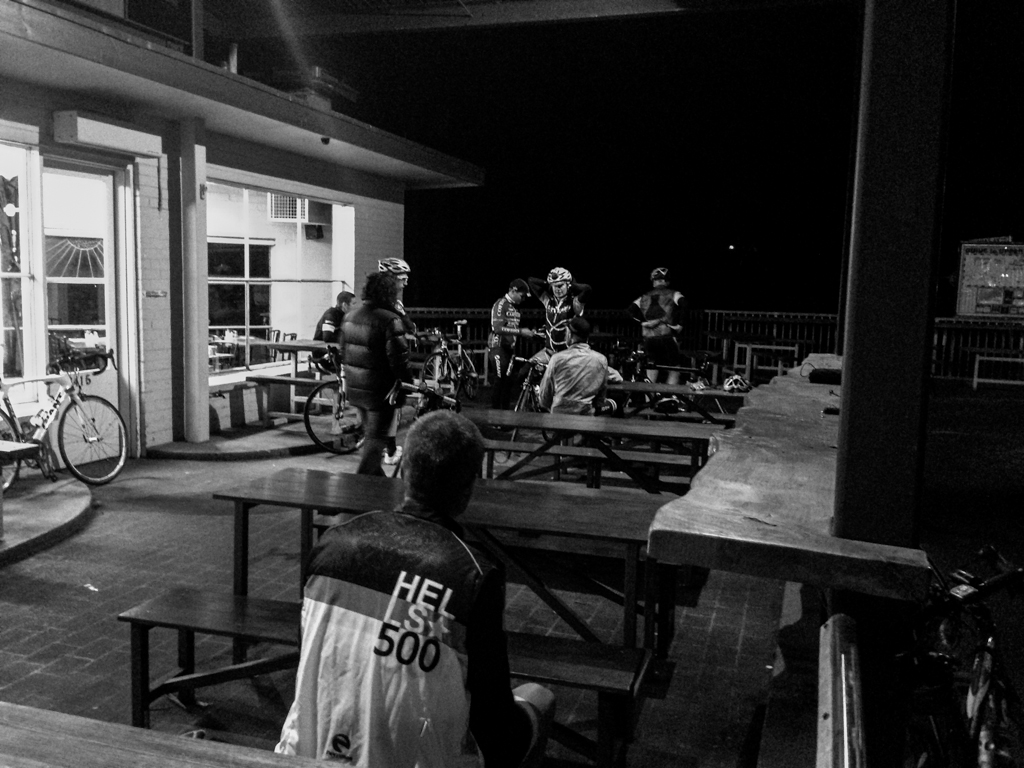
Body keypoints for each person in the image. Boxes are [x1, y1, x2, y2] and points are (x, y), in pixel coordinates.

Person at [275, 410, 555, 768]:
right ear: (467, 489)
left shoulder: (331, 545)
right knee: (539, 697)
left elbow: (310, 653)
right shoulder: (473, 577)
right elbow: (493, 723)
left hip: (304, 753)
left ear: (404, 470)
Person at [339, 272, 412, 475]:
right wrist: (407, 383)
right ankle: (361, 483)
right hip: (382, 391)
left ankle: (378, 483)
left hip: (356, 388)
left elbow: (344, 352)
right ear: (388, 293)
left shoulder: (350, 317)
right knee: (375, 440)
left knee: (371, 435)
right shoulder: (390, 320)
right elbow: (398, 359)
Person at [538, 316, 609, 415]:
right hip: (586, 418)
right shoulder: (601, 360)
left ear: (569, 335)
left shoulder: (557, 359)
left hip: (558, 418)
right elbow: (601, 397)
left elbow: (544, 397)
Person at [628, 267, 686, 384]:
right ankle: (671, 393)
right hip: (666, 336)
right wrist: (680, 325)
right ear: (667, 281)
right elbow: (684, 304)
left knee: (651, 367)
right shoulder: (674, 294)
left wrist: (642, 323)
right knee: (674, 367)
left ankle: (649, 394)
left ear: (653, 281)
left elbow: (630, 311)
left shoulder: (644, 297)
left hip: (649, 338)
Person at [488, 278, 536, 410]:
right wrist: (521, 332)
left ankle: (505, 416)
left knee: (508, 384)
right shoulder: (501, 303)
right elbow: (497, 328)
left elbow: (513, 329)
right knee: (499, 381)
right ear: (513, 291)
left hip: (510, 350)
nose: (523, 299)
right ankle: (494, 416)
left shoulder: (515, 307)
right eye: (522, 296)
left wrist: (530, 334)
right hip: (498, 347)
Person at [526, 267, 591, 364]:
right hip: (549, 352)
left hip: (567, 354)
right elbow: (531, 280)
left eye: (560, 286)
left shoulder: (574, 302)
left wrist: (571, 285)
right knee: (526, 368)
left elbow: (587, 289)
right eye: (554, 286)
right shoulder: (548, 301)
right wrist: (550, 283)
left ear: (568, 285)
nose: (557, 289)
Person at [310, 290, 354, 373]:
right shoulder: (331, 315)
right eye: (353, 304)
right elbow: (327, 337)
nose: (355, 307)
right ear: (345, 305)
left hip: (335, 352)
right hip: (323, 355)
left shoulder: (345, 316)